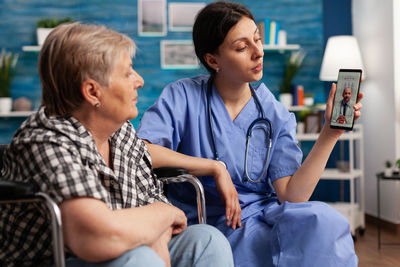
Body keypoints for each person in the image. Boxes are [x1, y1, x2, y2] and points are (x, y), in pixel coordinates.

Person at [137, 1, 363, 266]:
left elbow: (291, 196)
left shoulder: (273, 112)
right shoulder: (182, 96)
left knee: (325, 221)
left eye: (258, 39)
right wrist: (214, 167)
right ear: (213, 60)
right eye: (242, 47)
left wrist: (329, 133)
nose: (258, 53)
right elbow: (142, 152)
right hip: (206, 220)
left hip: (262, 215)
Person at [0, 22, 234, 267]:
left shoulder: (120, 132)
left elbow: (157, 204)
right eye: (127, 72)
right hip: (60, 259)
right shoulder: (45, 140)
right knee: (142, 259)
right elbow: (97, 238)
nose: (139, 81)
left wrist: (156, 231)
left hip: (128, 245)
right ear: (93, 92)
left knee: (208, 240)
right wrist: (163, 217)